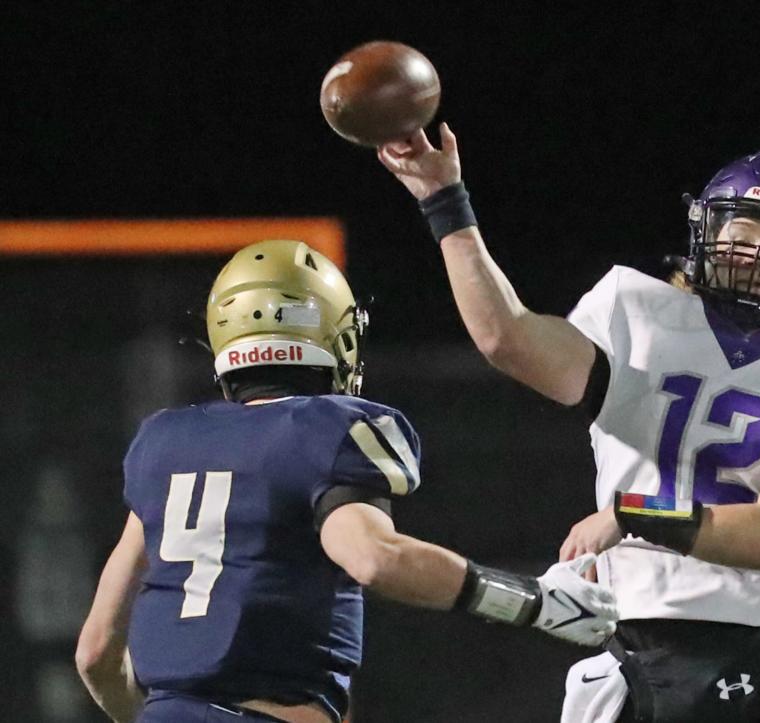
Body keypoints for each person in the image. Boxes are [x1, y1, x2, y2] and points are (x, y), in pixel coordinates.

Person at [378, 128, 760, 722]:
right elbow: (507, 338)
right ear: (707, 232)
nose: (757, 255)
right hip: (640, 645)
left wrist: (633, 513)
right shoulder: (636, 312)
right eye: (742, 234)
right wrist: (444, 200)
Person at [75, 239, 618, 723]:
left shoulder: (165, 442)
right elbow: (374, 557)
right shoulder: (327, 429)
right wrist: (535, 601)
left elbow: (96, 651)